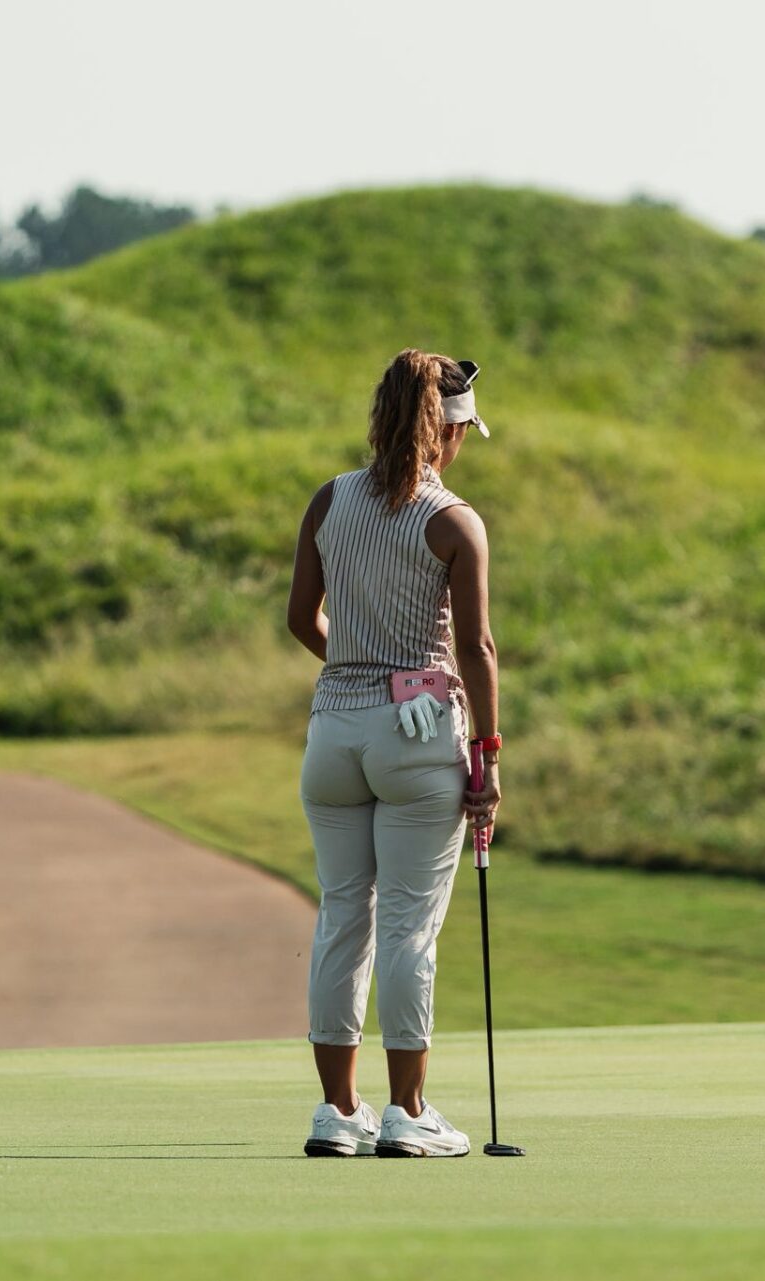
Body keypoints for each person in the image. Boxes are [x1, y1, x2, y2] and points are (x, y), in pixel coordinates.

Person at [285, 349, 501, 1158]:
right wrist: (487, 754)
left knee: (344, 914)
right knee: (408, 925)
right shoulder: (454, 520)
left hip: (333, 732)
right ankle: (408, 1111)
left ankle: (339, 1111)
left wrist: (357, 663)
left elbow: (302, 618)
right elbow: (476, 648)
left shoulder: (329, 499)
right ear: (449, 431)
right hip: (417, 735)